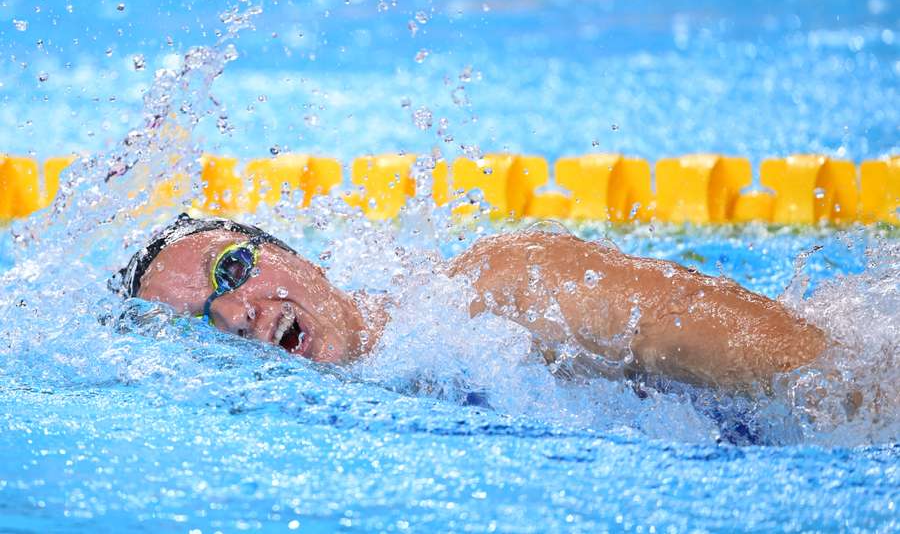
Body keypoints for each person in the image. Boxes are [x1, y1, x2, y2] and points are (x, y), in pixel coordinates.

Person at [115, 214, 826, 389]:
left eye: (231, 268)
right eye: (198, 325)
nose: (234, 314)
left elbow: (821, 369)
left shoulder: (505, 288)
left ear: (298, 257)